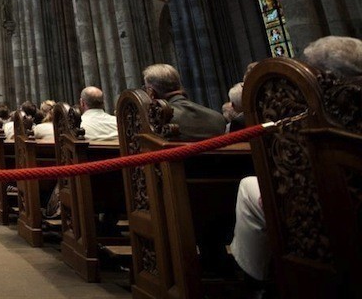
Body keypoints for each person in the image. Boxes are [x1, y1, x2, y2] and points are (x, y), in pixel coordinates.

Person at [231, 36, 362, 282]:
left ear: (320, 75)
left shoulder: (313, 107)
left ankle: (254, 278)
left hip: (330, 203)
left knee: (249, 187)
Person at [142, 64, 225, 141]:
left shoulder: (156, 121)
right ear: (179, 85)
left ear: (151, 93)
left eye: (145, 88)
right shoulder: (218, 119)